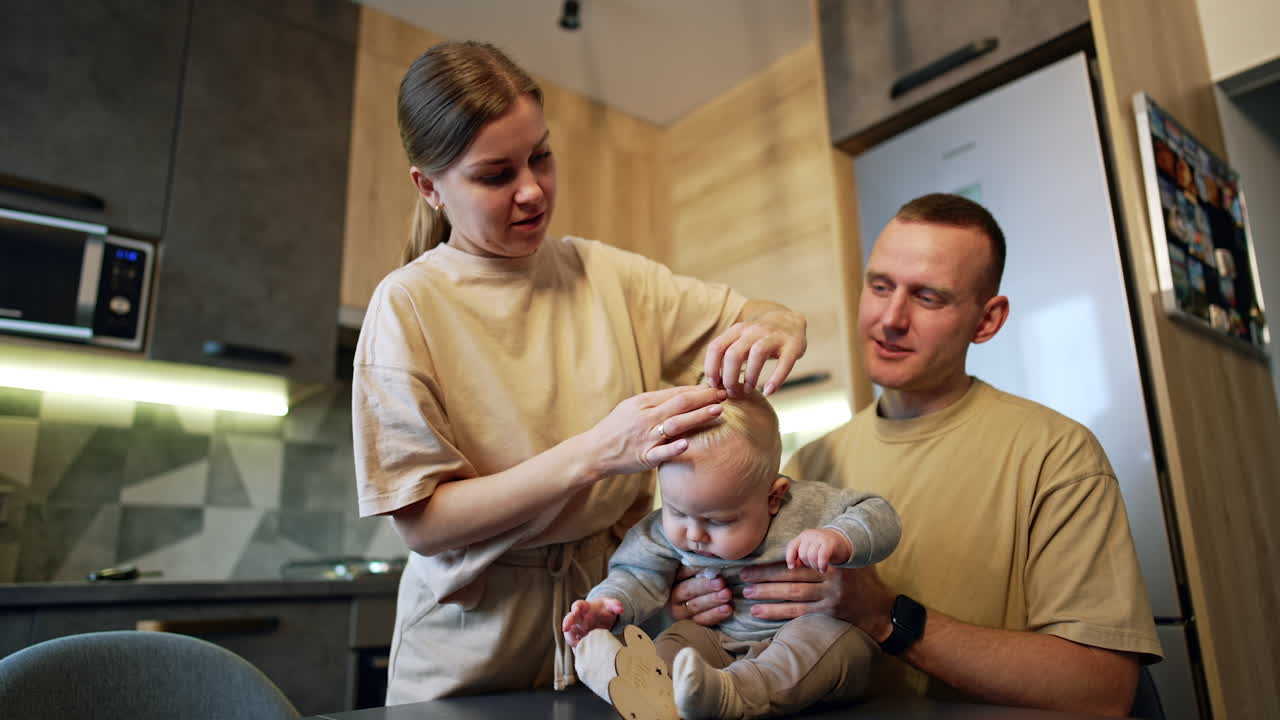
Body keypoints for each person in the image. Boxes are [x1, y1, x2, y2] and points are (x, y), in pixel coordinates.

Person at [351, 40, 808, 705]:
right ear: (430, 187)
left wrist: (779, 321)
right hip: (467, 651)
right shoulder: (408, 304)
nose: (532, 190)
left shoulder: (609, 276)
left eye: (540, 155)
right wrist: (598, 453)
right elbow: (423, 522)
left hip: (618, 628)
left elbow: (753, 315)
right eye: (495, 174)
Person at [668, 193, 1164, 718]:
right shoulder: (809, 465)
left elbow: (1103, 689)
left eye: (928, 297)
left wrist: (885, 616)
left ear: (987, 320)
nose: (890, 319)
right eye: (880, 287)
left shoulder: (1057, 455)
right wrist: (706, 604)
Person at [562, 392, 900, 719]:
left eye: (717, 520)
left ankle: (731, 696)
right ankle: (639, 683)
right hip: (717, 646)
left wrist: (839, 536)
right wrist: (606, 605)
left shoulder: (806, 508)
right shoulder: (664, 533)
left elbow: (877, 513)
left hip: (801, 643)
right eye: (677, 511)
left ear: (773, 498)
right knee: (680, 639)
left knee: (829, 639)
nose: (693, 534)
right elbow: (637, 574)